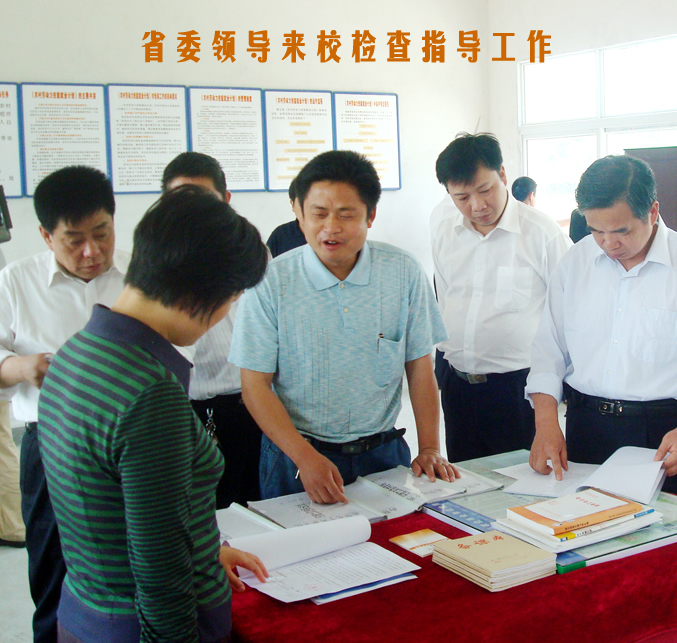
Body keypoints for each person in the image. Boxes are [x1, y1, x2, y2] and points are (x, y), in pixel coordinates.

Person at [38, 186, 269, 643]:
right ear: (201, 292)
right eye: (232, 297)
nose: (228, 312)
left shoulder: (78, 351)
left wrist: (204, 551)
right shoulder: (150, 392)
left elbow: (111, 509)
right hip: (139, 627)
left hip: (86, 611)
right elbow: (161, 575)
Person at [230, 150, 458, 504]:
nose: (331, 227)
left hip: (384, 455)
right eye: (319, 213)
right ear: (298, 212)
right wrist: (304, 457)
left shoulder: (402, 273)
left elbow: (419, 367)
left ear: (371, 215)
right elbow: (254, 385)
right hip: (296, 458)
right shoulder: (270, 283)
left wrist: (429, 448)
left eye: (346, 214)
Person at [0, 166, 129, 643]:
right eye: (74, 240)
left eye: (102, 233)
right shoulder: (15, 282)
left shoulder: (140, 276)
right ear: (45, 235)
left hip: (127, 444)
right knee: (54, 568)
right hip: (52, 446)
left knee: (137, 561)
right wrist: (22, 368)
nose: (91, 251)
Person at [526, 155, 677, 494]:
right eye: (596, 230)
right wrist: (546, 422)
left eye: (621, 231)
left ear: (652, 212)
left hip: (663, 438)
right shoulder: (576, 261)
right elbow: (549, 348)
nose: (609, 243)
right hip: (586, 427)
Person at [431, 133, 572, 462]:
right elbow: (445, 298)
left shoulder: (542, 233)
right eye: (462, 197)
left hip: (518, 390)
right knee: (468, 482)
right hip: (457, 386)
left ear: (503, 175)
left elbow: (567, 316)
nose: (477, 206)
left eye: (485, 190)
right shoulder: (444, 229)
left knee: (524, 481)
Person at [162, 151, 263, 508]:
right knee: (204, 511)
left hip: (254, 404)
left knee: (257, 505)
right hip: (191, 412)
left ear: (226, 199)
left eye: (204, 200)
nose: (194, 213)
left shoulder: (251, 251)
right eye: (181, 201)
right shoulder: (161, 263)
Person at [266, 177, 307, 258]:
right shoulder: (280, 235)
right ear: (293, 205)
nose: (308, 210)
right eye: (302, 203)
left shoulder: (330, 232)